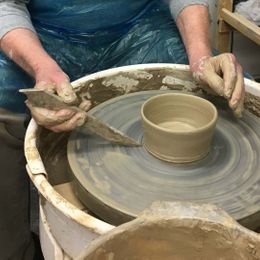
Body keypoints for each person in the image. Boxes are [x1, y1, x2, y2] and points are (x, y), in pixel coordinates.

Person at [0, 0, 245, 258]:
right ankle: (16, 251)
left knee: (224, 94)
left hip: (141, 31)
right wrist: (41, 68)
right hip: (46, 38)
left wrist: (200, 57)